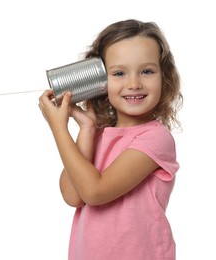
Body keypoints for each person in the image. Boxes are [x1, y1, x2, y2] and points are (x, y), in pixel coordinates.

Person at [38, 19, 183, 260]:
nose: (134, 83)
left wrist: (58, 129)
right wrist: (86, 128)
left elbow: (95, 192)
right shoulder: (96, 133)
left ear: (164, 76)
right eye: (119, 73)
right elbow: (74, 196)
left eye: (147, 71)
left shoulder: (155, 138)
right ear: (101, 81)